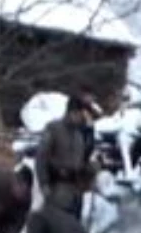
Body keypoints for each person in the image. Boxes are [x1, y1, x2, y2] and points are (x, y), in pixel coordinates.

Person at [35, 93, 98, 222]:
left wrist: (91, 170)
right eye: (80, 114)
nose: (81, 118)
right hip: (58, 187)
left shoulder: (79, 135)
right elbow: (41, 157)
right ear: (72, 112)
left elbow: (82, 160)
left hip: (75, 189)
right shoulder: (53, 129)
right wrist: (44, 184)